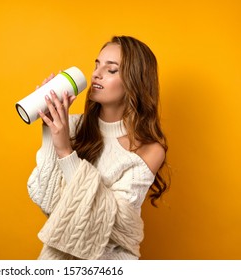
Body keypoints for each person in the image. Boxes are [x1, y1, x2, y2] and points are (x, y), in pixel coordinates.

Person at [27, 35, 169, 260]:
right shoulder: (69, 127)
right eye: (96, 65)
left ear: (136, 82)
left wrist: (65, 152)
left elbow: (112, 225)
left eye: (111, 70)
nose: (96, 74)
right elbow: (45, 200)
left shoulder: (149, 150)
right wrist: (48, 129)